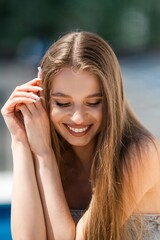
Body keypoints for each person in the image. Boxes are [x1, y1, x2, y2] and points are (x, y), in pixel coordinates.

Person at [1, 31, 160, 240]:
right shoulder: (45, 147)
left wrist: (44, 155)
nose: (77, 118)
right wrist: (20, 141)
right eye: (63, 103)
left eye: (93, 102)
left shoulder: (140, 153)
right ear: (44, 98)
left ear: (112, 99)